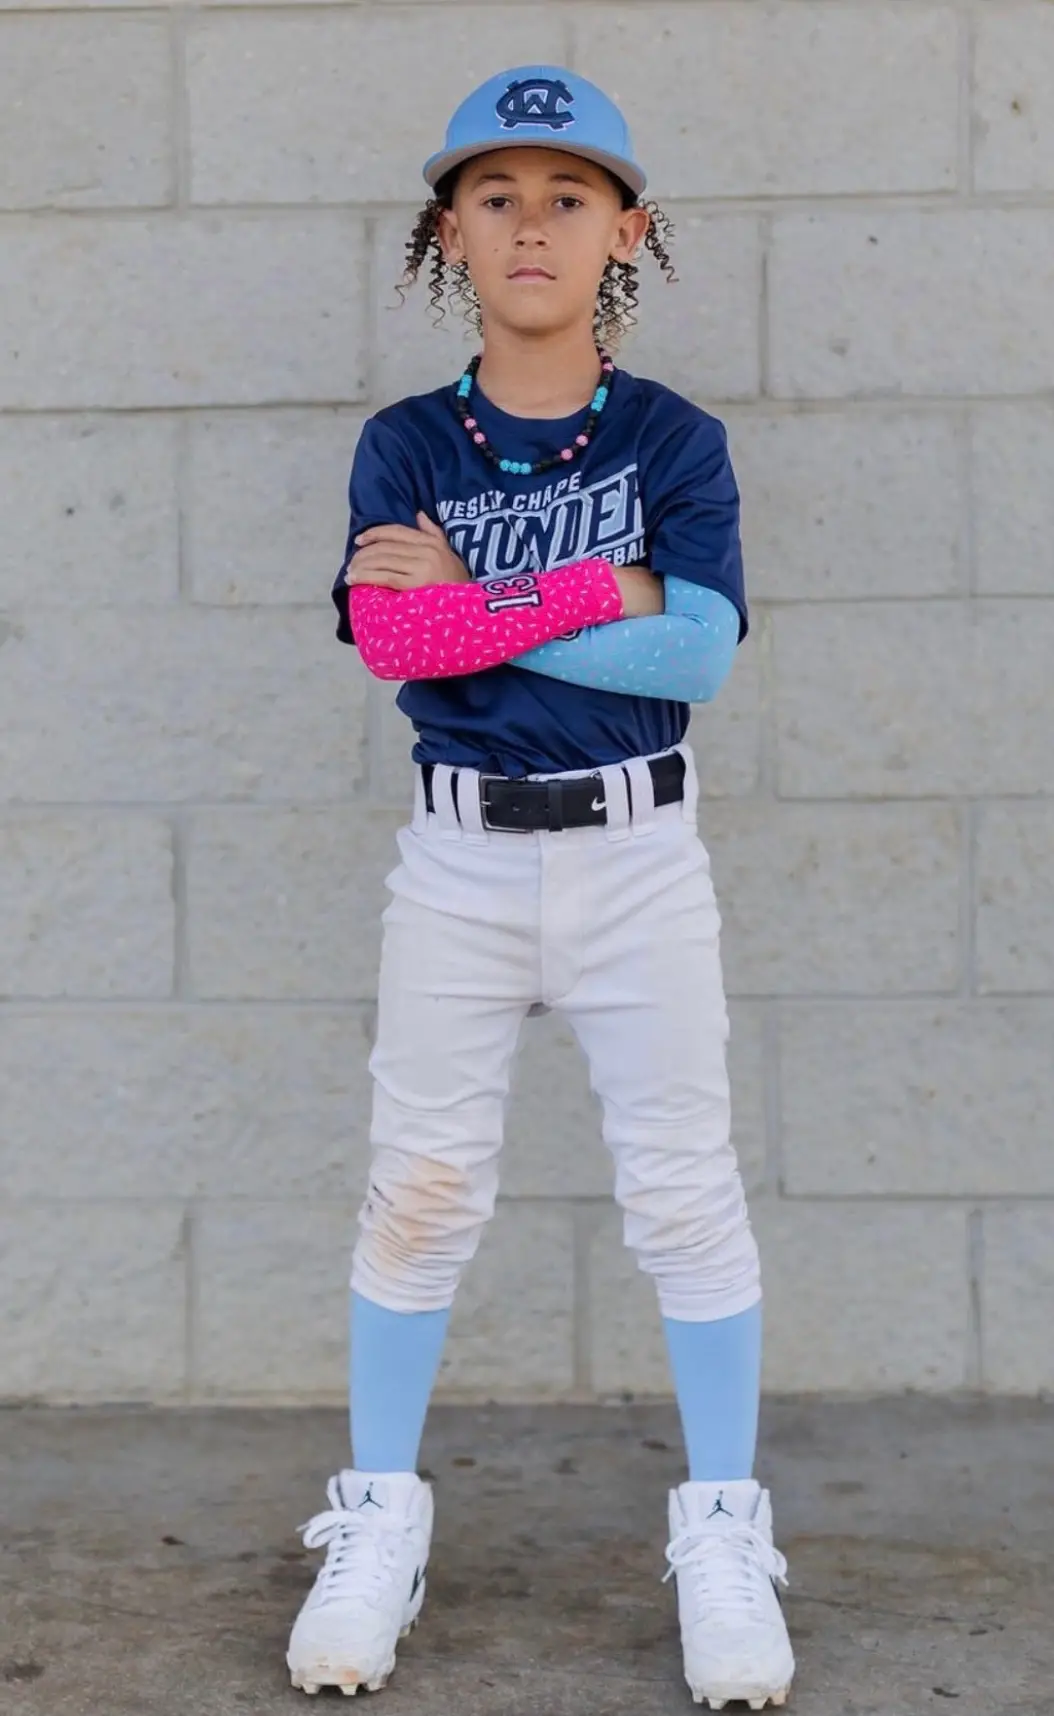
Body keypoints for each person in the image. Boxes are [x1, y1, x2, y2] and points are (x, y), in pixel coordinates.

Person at [286, 65, 795, 1712]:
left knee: (684, 1192)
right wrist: (601, 588)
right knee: (420, 1187)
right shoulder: (404, 444)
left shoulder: (669, 438)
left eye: (567, 197)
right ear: (448, 231)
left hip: (639, 855)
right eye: (493, 196)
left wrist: (485, 595)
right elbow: (395, 640)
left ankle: (723, 1533)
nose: (530, 224)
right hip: (460, 856)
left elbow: (695, 657)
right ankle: (378, 1518)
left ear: (624, 231)